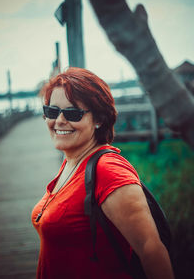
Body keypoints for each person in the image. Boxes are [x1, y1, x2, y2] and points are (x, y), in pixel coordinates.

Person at [32, 67, 174, 279]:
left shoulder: (108, 170)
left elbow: (151, 249)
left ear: (99, 119)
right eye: (51, 112)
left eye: (73, 113)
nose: (59, 121)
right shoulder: (71, 161)